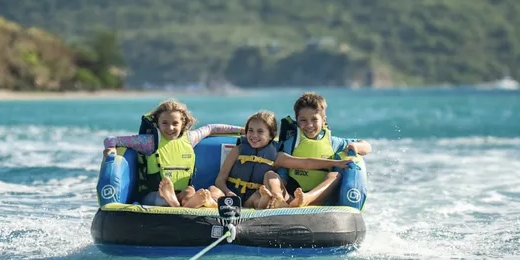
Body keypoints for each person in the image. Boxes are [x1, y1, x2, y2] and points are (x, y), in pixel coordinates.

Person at [102, 99, 242, 208]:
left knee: (191, 192)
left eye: (175, 123)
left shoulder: (190, 138)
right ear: (157, 123)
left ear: (183, 123)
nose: (170, 128)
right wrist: (111, 150)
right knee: (163, 199)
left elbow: (212, 128)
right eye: (164, 123)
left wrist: (243, 130)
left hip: (179, 193)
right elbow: (112, 139)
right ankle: (176, 202)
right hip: (153, 194)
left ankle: (190, 203)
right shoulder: (149, 142)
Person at [211, 110, 354, 209]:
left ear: (271, 135)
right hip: (230, 195)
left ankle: (274, 200)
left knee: (269, 177)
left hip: (253, 197)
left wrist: (336, 163)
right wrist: (227, 192)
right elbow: (220, 179)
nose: (254, 135)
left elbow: (306, 162)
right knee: (212, 190)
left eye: (260, 131)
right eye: (250, 131)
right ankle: (208, 200)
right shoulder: (238, 150)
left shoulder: (277, 156)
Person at [277, 92, 371, 207]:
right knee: (272, 176)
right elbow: (282, 171)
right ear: (297, 120)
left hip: (323, 198)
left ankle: (307, 198)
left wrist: (356, 146)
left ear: (323, 120)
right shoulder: (290, 143)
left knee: (334, 176)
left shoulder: (333, 142)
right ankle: (291, 201)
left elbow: (366, 146)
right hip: (293, 194)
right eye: (303, 120)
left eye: (314, 120)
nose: (309, 125)